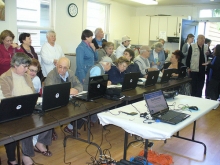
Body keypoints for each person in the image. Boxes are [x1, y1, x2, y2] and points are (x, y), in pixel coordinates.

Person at [0, 53, 52, 165]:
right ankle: (13, 160)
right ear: (15, 64)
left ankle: (31, 150)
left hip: (27, 110)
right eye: (25, 67)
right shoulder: (4, 78)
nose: (27, 69)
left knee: (49, 118)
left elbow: (32, 94)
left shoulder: (27, 76)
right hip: (11, 113)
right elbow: (8, 100)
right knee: (21, 128)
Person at [44, 57, 83, 135]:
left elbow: (80, 85)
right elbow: (50, 93)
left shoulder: (71, 73)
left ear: (68, 68)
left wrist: (76, 90)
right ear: (56, 65)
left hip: (69, 100)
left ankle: (70, 127)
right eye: (60, 67)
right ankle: (50, 131)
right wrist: (67, 92)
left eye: (65, 68)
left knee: (83, 108)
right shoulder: (51, 75)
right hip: (56, 103)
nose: (62, 70)